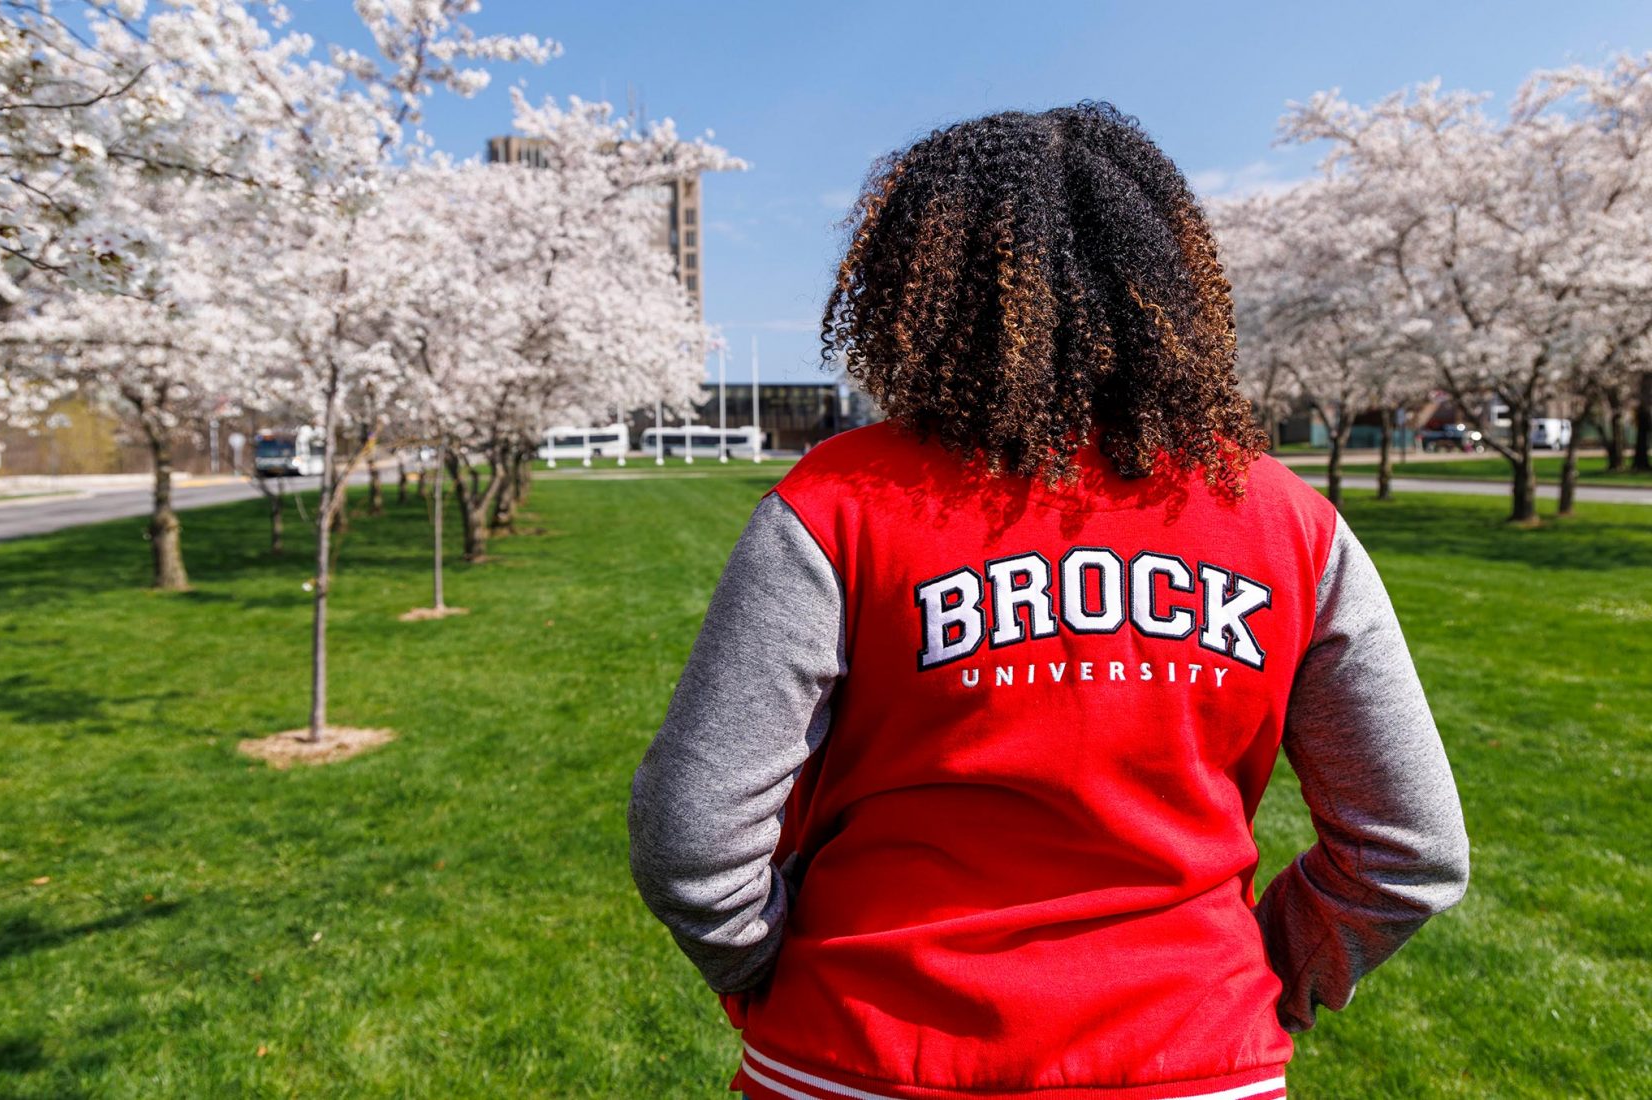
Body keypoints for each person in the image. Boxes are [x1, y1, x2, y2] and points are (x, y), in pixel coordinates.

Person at [627, 103, 1470, 1100]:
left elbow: (692, 836)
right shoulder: (1288, 522)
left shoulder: (836, 503)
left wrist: (771, 966)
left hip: (856, 1052)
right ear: (1168, 283)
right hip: (1190, 1058)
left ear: (919, 290)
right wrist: (1254, 975)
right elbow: (1410, 848)